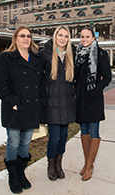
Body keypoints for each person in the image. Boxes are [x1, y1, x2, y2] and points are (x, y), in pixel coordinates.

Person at [0, 26, 44, 194]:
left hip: (31, 108)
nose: (26, 38)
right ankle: (12, 175)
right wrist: (13, 102)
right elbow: (0, 84)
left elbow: (42, 83)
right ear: (15, 39)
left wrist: (40, 101)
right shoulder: (6, 58)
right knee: (13, 141)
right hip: (14, 108)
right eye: (22, 35)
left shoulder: (36, 59)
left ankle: (21, 172)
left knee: (26, 142)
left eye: (28, 36)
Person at [74, 26, 112, 181]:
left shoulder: (101, 54)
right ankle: (86, 162)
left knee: (94, 131)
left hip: (94, 98)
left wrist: (95, 90)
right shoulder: (77, 54)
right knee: (83, 131)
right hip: (81, 98)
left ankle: (90, 166)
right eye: (82, 36)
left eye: (87, 37)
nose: (84, 39)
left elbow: (107, 77)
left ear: (93, 38)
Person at [39, 26, 76, 181]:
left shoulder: (71, 54)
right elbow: (38, 80)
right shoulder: (45, 54)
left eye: (66, 36)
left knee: (63, 136)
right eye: (60, 35)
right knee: (54, 137)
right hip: (52, 102)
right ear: (55, 37)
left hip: (67, 102)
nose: (62, 38)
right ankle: (51, 165)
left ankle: (59, 164)